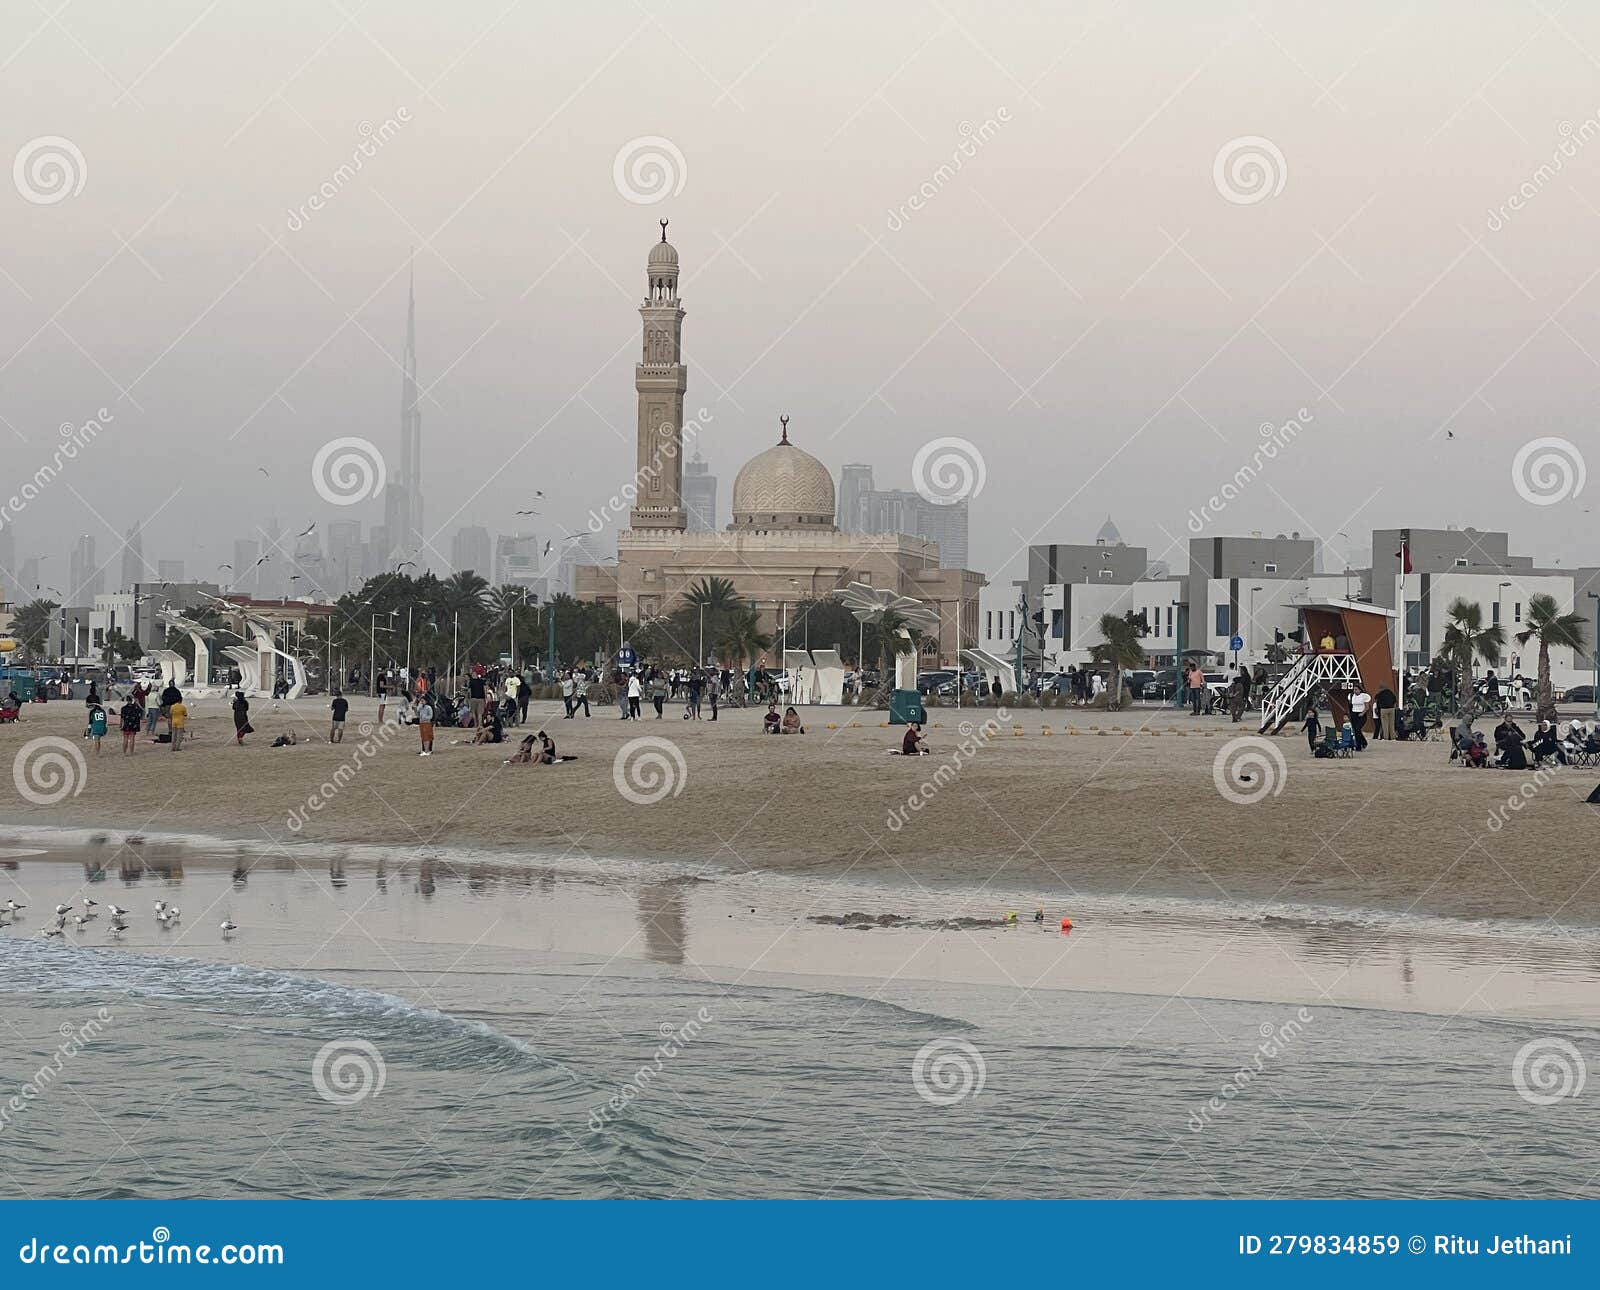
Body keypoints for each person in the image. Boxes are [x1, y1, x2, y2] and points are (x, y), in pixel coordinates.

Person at [1349, 686, 1370, 750]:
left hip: (1361, 714)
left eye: (1356, 689)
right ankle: (1359, 745)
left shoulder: (1364, 696)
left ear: (1360, 690)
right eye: (1354, 690)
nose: (1355, 691)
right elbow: (1350, 705)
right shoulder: (1351, 696)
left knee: (1358, 729)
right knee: (1355, 730)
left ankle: (1363, 742)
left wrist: (1362, 713)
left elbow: (1367, 707)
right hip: (1354, 714)